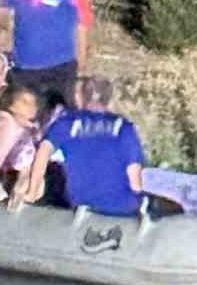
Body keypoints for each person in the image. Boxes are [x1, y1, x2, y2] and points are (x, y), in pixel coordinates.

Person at [11, 76, 144, 214]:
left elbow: (42, 153)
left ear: (81, 97)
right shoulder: (124, 128)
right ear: (109, 99)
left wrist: (32, 192)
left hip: (81, 208)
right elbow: (135, 181)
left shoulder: (66, 123)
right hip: (123, 209)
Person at [0, 0, 94, 111]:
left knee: (59, 120)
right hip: (23, 66)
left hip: (59, 67)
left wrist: (81, 65)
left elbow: (83, 25)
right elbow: (3, 12)